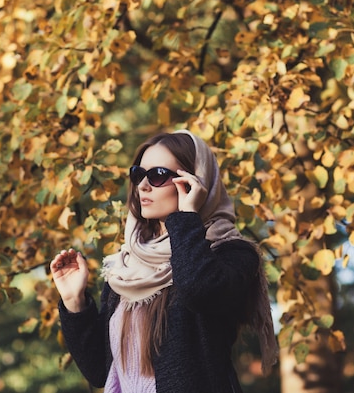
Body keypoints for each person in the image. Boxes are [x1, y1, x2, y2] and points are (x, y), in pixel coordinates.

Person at [50, 129, 278, 393]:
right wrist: (74, 302)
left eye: (158, 176)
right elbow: (100, 371)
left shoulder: (232, 255)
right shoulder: (126, 267)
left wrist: (187, 215)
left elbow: (198, 291)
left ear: (196, 182)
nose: (143, 186)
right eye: (138, 175)